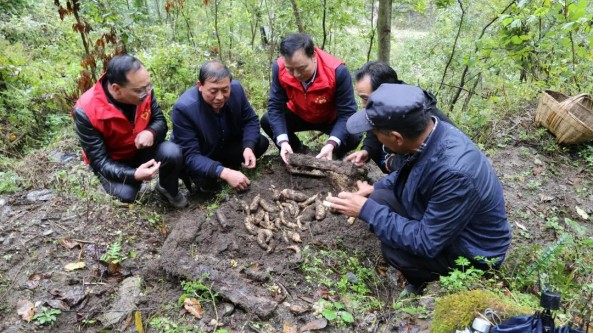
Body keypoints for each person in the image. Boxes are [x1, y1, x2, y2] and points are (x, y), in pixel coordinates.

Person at [327, 84, 511, 294]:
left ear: (396, 138)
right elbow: (409, 171)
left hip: (474, 251)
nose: (376, 139)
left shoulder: (455, 172)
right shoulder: (433, 133)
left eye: (377, 135)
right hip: (451, 224)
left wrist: (365, 210)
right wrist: (374, 188)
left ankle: (426, 282)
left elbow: (426, 242)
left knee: (394, 250)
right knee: (379, 197)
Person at [72, 54, 188, 208]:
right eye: (140, 90)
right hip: (114, 160)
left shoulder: (144, 90)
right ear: (116, 89)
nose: (147, 93)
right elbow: (99, 161)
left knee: (172, 152)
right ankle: (128, 184)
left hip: (141, 150)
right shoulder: (86, 111)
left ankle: (167, 189)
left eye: (148, 86)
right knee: (126, 195)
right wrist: (134, 175)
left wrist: (151, 132)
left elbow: (159, 120)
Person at [261, 32, 362, 163]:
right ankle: (296, 149)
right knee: (267, 120)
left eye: (302, 68)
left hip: (329, 118)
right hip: (298, 113)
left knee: (354, 134)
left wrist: (332, 142)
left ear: (313, 56)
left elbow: (347, 113)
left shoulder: (337, 71)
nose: (296, 74)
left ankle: (333, 152)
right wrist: (283, 141)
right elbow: (275, 106)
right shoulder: (279, 68)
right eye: (290, 69)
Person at [171, 61, 269, 193]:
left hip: (225, 144)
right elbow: (191, 155)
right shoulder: (184, 109)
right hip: (203, 153)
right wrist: (225, 173)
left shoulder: (237, 90)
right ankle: (217, 172)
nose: (220, 97)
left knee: (260, 143)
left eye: (225, 90)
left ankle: (228, 166)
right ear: (200, 85)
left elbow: (250, 120)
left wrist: (248, 147)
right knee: (205, 181)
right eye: (213, 91)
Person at [345, 61, 454, 173]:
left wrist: (393, 164)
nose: (363, 105)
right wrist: (367, 150)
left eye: (366, 99)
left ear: (384, 92)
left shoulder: (414, 112)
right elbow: (373, 122)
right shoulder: (390, 100)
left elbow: (424, 154)